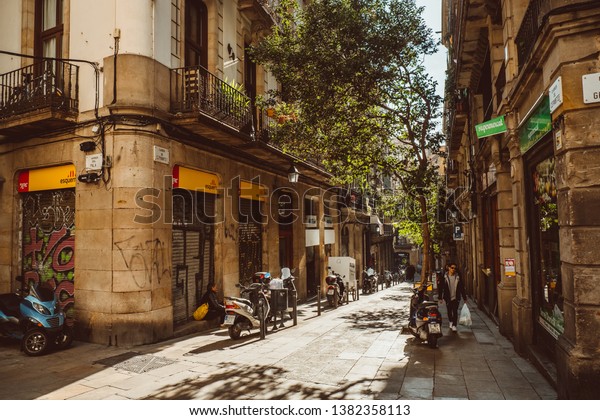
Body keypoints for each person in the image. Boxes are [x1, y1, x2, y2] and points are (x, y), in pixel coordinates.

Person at [439, 262, 467, 332]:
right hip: (448, 297)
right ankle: (450, 321)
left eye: (455, 268)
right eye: (452, 268)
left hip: (456, 297)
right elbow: (441, 287)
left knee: (455, 311)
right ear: (449, 268)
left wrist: (464, 297)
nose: (453, 269)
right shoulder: (445, 277)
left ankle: (454, 325)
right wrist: (440, 297)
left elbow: (461, 287)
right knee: (449, 311)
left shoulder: (457, 277)